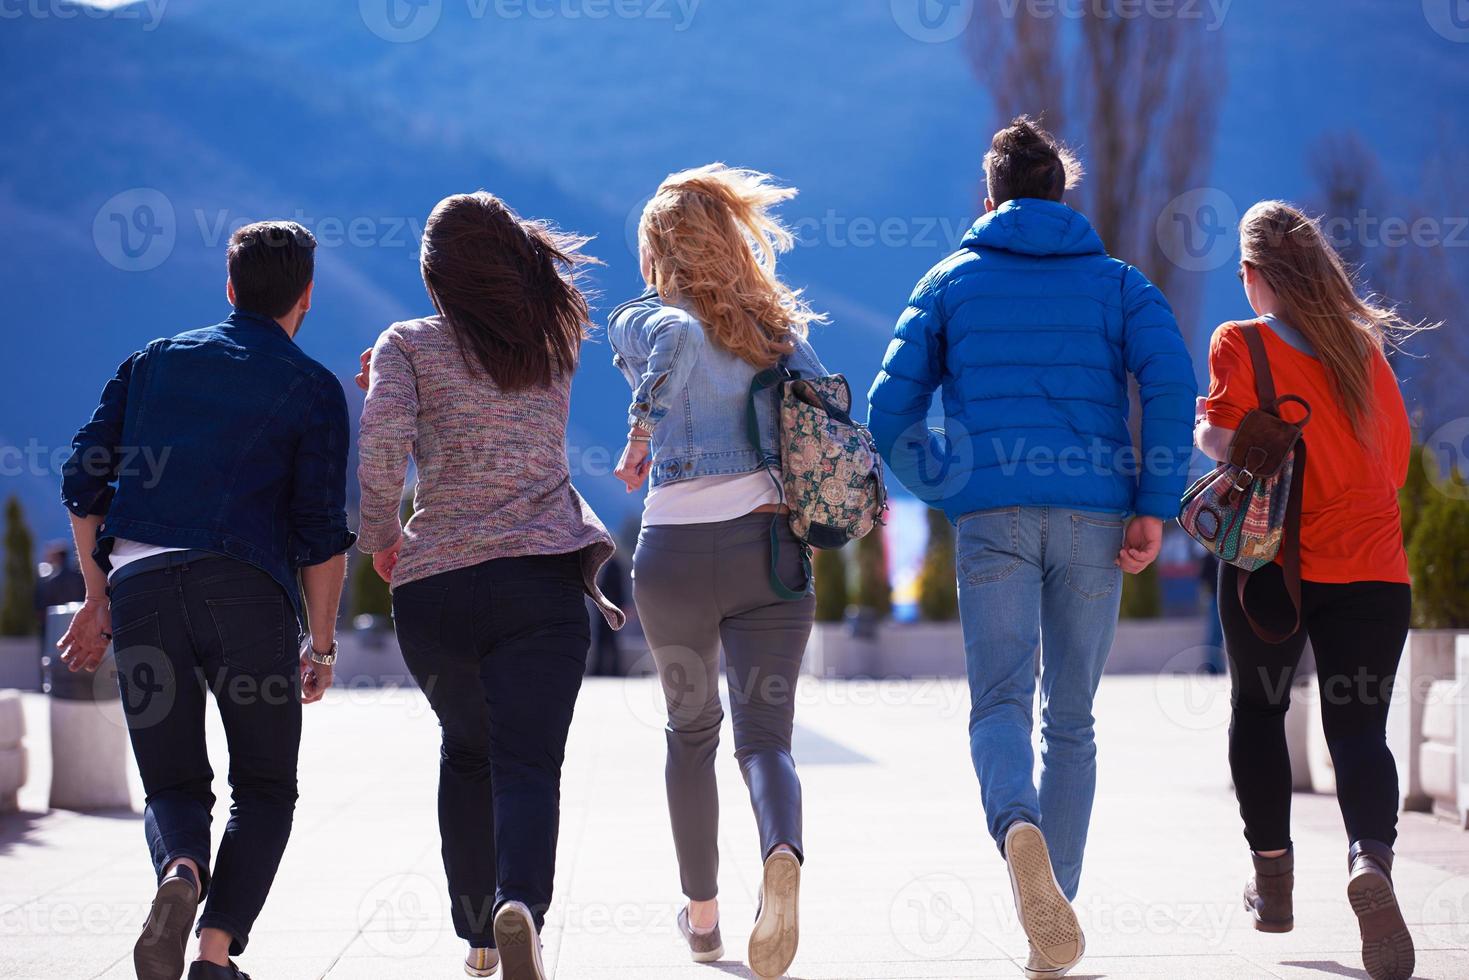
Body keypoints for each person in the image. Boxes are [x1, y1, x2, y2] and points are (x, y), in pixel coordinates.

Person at [867, 117, 1196, 979]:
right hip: (1095, 518)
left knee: (1000, 703)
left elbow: (887, 414)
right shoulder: (1120, 286)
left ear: (990, 199)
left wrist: (948, 483)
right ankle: (1057, 902)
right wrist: (1152, 506)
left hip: (994, 518)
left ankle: (1017, 830)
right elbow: (1170, 382)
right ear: (1063, 196)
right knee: (1074, 719)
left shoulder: (949, 281)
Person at [57, 221, 354, 980]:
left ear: (228, 288)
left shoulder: (153, 362)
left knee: (173, 782)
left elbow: (81, 478)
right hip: (246, 598)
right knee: (264, 786)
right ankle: (214, 955)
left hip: (144, 590)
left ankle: (180, 873)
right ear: (306, 298)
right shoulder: (312, 387)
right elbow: (321, 536)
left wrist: (99, 594)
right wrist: (319, 646)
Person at [355, 191, 623, 980]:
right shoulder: (552, 339)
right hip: (539, 583)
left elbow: (380, 450)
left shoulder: (404, 344)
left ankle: (477, 935)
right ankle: (520, 908)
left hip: (435, 589)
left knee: (466, 752)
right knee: (528, 762)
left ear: (435, 274)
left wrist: (378, 540)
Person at [609, 164, 827, 979]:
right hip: (768, 555)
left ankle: (703, 921)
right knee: (765, 740)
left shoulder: (644, 318)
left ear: (657, 250)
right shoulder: (776, 325)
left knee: (690, 735)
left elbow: (668, 339)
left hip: (673, 559)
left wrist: (640, 427)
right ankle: (781, 853)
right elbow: (830, 418)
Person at [1194, 200, 1421, 980]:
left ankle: (1274, 879)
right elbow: (1392, 466)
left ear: (1257, 276)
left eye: (1241, 272)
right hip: (1374, 571)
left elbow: (1227, 441)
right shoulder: (1363, 349)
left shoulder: (1239, 341)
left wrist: (1207, 433)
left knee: (1257, 711)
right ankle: (1370, 862)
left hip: (1270, 567)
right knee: (1358, 731)